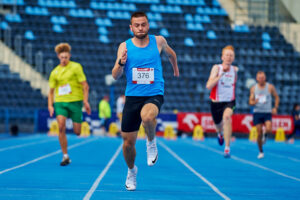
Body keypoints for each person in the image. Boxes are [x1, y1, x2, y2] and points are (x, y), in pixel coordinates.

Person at [112, 11, 179, 191]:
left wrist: (175, 69)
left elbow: (172, 54)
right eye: (137, 25)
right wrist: (120, 62)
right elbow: (115, 75)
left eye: (143, 24)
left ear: (148, 25)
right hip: (133, 97)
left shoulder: (158, 41)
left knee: (148, 117)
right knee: (127, 144)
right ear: (131, 27)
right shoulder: (124, 46)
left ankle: (151, 142)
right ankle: (132, 171)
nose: (140, 28)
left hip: (153, 93)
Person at [48, 43, 91, 166]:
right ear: (58, 57)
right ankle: (65, 156)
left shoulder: (76, 67)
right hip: (60, 102)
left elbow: (85, 86)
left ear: (69, 56)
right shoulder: (54, 72)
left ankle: (77, 123)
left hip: (75, 102)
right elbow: (51, 91)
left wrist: (86, 101)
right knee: (61, 126)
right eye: (62, 57)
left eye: (66, 57)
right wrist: (50, 105)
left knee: (77, 132)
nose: (64, 59)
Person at [206, 45, 238, 158]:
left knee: (227, 118)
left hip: (229, 102)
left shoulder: (235, 70)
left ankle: (227, 148)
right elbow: (208, 86)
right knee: (218, 125)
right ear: (222, 57)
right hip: (216, 102)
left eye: (231, 55)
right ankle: (220, 134)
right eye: (227, 55)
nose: (229, 57)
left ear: (233, 58)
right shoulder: (216, 68)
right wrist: (220, 75)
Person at [249, 71, 279, 159]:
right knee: (258, 132)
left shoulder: (270, 87)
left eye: (263, 78)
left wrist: (275, 107)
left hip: (267, 112)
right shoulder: (254, 88)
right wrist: (254, 101)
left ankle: (265, 135)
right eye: (259, 78)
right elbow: (250, 102)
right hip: (257, 112)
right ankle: (261, 151)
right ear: (257, 79)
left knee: (269, 128)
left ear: (265, 78)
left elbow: (276, 97)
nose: (261, 79)